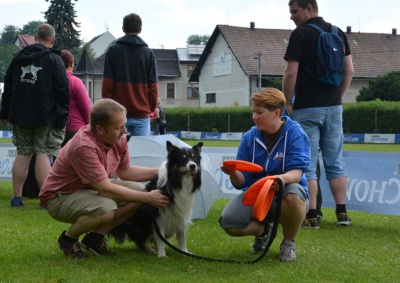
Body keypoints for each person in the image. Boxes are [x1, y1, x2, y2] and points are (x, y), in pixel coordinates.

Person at [38, 99, 170, 259]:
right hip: (58, 196)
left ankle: (95, 238)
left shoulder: (118, 138)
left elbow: (125, 172)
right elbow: (104, 188)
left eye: (124, 125)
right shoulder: (84, 146)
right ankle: (68, 239)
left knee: (139, 191)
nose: (124, 131)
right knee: (107, 208)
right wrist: (149, 197)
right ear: (100, 129)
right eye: (118, 128)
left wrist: (163, 172)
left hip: (88, 189)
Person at [282, 0, 354, 228]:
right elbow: (349, 70)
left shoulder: (300, 35)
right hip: (334, 107)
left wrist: (287, 102)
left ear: (308, 9)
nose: (292, 17)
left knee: (308, 162)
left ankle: (312, 214)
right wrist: (338, 97)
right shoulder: (338, 32)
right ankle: (342, 213)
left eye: (294, 11)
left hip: (307, 107)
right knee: (335, 161)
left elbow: (291, 72)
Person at [219, 88, 310, 262]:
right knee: (229, 223)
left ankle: (288, 243)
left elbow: (296, 173)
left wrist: (280, 180)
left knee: (293, 195)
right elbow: (241, 182)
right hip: (258, 195)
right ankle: (264, 232)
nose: (254, 117)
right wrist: (233, 172)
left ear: (277, 113)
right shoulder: (249, 137)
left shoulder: (295, 133)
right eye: (253, 112)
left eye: (259, 112)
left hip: (286, 195)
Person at [0, 23, 70, 208]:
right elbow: (63, 89)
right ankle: (44, 199)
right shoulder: (54, 60)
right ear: (52, 40)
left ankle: (17, 198)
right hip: (45, 116)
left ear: (35, 37)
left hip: (20, 114)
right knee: (43, 154)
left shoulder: (18, 57)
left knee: (23, 153)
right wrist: (63, 114)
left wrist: (4, 112)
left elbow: (7, 88)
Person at [102, 13, 158, 137]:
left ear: (123, 29)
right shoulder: (148, 53)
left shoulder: (113, 51)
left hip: (118, 114)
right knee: (141, 153)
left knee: (115, 153)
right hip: (142, 114)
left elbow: (107, 85)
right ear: (140, 30)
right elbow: (153, 87)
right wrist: (151, 107)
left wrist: (108, 108)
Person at [60, 50, 91, 147]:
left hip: (56, 131)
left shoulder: (51, 82)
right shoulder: (75, 82)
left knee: (59, 161)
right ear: (72, 64)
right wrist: (90, 127)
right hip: (75, 130)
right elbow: (86, 108)